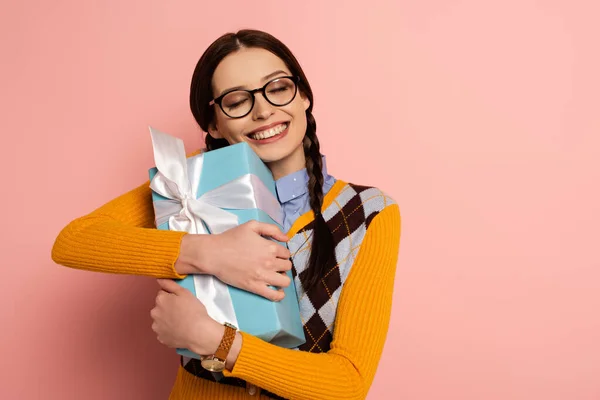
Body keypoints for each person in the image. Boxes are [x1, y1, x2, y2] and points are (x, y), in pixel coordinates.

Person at [52, 29, 401, 400]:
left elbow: (347, 384)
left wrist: (214, 340)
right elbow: (73, 241)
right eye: (237, 100)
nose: (264, 110)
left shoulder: (367, 211)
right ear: (214, 123)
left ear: (303, 96)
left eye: (278, 87)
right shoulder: (191, 183)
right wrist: (211, 253)